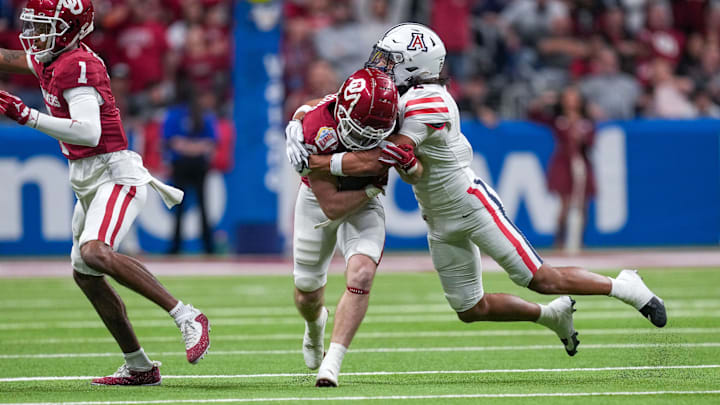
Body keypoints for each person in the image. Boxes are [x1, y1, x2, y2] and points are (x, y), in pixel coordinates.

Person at [286, 23, 667, 366]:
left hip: (470, 203)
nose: (381, 66)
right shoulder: (391, 95)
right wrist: (297, 124)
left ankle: (624, 286)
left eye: (391, 60)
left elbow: (379, 158)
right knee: (470, 308)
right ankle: (552, 316)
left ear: (414, 67)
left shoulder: (426, 102)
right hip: (435, 217)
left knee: (540, 277)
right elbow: (335, 104)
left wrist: (313, 162)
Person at [0, 0, 209, 386]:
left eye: (43, 26)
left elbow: (88, 132)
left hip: (114, 172)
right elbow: (11, 57)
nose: (32, 35)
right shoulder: (51, 56)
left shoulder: (76, 65)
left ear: (68, 29)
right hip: (87, 178)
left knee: (94, 251)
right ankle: (139, 366)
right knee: (86, 275)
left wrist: (25, 115)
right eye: (33, 25)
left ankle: (186, 314)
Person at [289, 67, 398, 387]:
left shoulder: (389, 112)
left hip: (365, 207)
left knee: (362, 273)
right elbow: (332, 206)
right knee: (306, 293)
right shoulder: (315, 127)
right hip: (319, 201)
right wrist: (370, 186)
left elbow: (401, 158)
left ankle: (332, 364)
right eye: (360, 131)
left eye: (373, 133)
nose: (367, 140)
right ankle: (314, 325)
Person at [529, 86, 596, 251]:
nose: (571, 101)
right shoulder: (558, 120)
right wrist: (543, 101)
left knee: (582, 204)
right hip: (564, 163)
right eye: (567, 97)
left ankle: (579, 240)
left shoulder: (586, 122)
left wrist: (582, 138)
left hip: (581, 162)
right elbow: (534, 115)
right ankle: (559, 240)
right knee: (565, 203)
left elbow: (591, 142)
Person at [164, 83, 217, 255]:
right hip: (195, 164)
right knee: (200, 206)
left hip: (183, 164)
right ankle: (207, 247)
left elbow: (174, 142)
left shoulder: (179, 115)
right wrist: (196, 148)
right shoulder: (201, 115)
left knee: (181, 206)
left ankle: (177, 247)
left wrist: (186, 146)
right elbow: (209, 142)